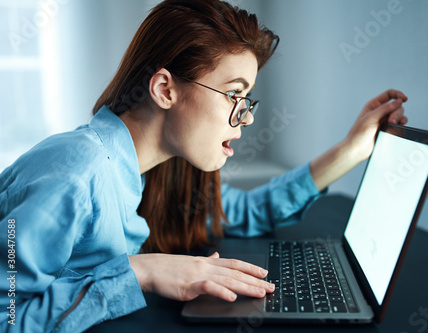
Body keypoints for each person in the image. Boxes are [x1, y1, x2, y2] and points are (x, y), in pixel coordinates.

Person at [0, 0, 407, 332]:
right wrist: (139, 273)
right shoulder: (76, 174)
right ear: (165, 89)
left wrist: (352, 151)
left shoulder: (151, 171)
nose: (246, 118)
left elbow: (248, 211)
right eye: (234, 95)